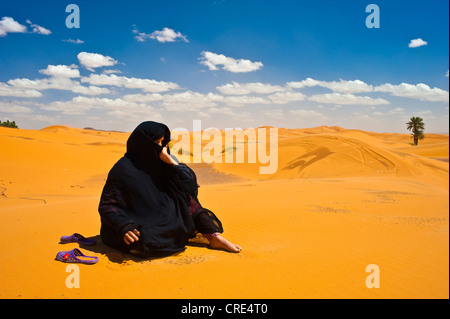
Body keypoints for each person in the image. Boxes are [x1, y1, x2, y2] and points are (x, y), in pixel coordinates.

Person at [98, 121, 241, 258]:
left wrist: (171, 162)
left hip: (165, 216)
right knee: (145, 241)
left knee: (186, 198)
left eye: (163, 142)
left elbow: (189, 185)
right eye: (156, 142)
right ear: (142, 143)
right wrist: (123, 226)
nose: (160, 147)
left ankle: (214, 237)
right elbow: (107, 206)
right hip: (137, 220)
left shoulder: (163, 163)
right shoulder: (123, 170)